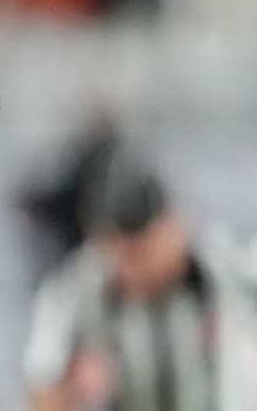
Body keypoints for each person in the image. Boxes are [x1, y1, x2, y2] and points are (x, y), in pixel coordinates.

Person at [24, 154, 257, 411]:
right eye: (120, 255)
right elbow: (42, 390)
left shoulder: (225, 273)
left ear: (173, 225)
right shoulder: (76, 293)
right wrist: (71, 391)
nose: (132, 270)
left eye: (141, 252)